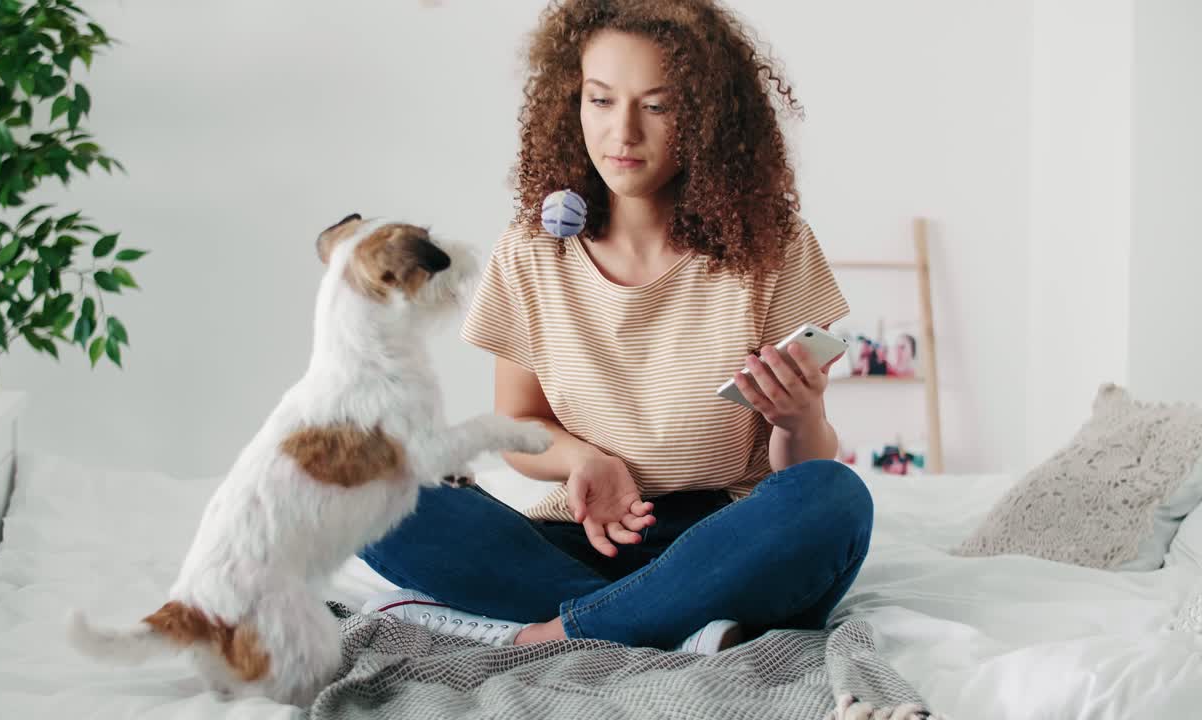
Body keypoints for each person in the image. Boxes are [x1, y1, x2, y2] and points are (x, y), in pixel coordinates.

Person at [358, 0, 873, 655]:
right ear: (570, 104)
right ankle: (674, 623)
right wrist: (584, 460)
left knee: (834, 497)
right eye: (600, 100)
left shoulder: (774, 246)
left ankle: (561, 630)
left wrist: (800, 420)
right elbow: (518, 427)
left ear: (708, 119)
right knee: (372, 486)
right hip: (582, 534)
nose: (623, 133)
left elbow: (796, 475)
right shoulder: (530, 249)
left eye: (657, 106)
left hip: (725, 537)